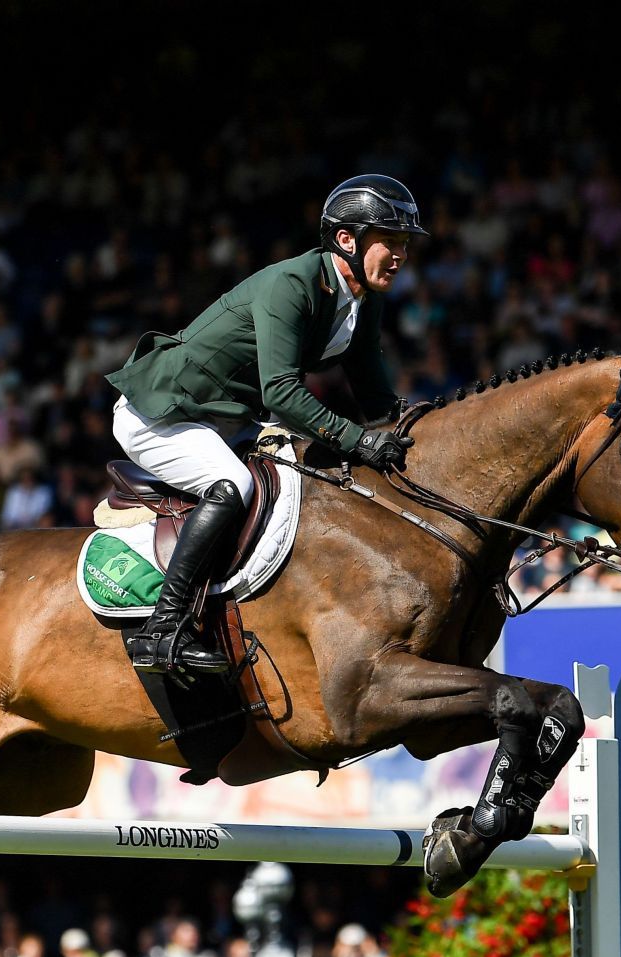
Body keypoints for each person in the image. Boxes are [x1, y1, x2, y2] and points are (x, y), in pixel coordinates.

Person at [105, 175, 424, 675]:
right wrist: (359, 440)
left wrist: (416, 434)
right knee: (229, 485)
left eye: (406, 243)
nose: (401, 254)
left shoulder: (365, 300)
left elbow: (375, 396)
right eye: (392, 241)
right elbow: (281, 391)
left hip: (226, 421)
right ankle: (164, 631)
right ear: (346, 240)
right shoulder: (292, 284)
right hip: (162, 412)